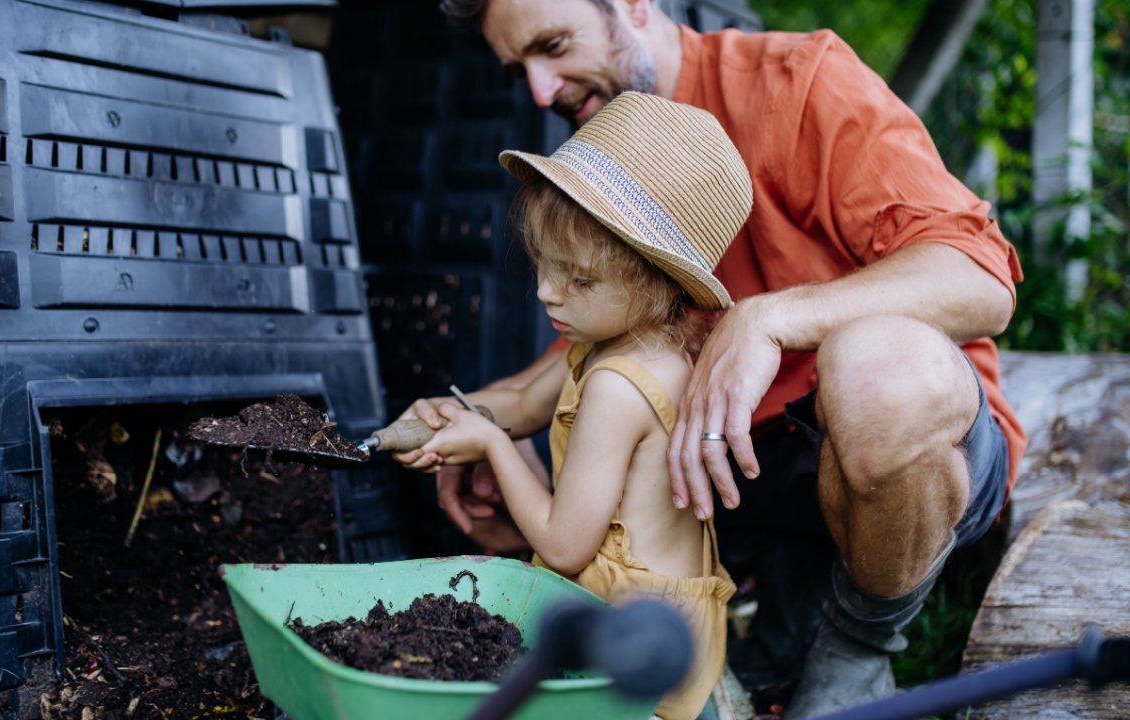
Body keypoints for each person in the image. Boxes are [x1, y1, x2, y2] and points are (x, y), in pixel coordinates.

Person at [413, 1, 1028, 717]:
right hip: (735, 475)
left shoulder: (799, 83)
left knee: (877, 370)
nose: (542, 93)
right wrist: (471, 419)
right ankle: (761, 638)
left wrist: (769, 317)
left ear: (636, 5)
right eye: (521, 70)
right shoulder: (614, 151)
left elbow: (979, 278)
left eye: (553, 46)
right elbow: (566, 363)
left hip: (904, 450)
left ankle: (860, 646)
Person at [397, 92, 750, 720]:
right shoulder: (651, 345)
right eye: (541, 263)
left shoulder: (619, 385)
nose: (544, 291)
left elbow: (564, 547)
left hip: (628, 647)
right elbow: (525, 403)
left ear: (658, 281)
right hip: (675, 625)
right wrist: (446, 416)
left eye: (578, 279)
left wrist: (493, 447)